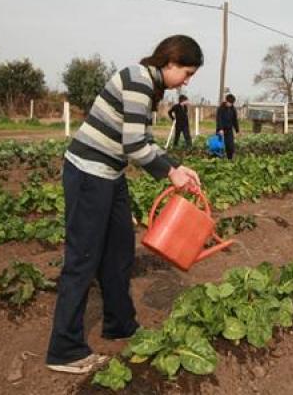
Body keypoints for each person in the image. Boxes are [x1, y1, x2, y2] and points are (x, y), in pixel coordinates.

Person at [46, 35, 203, 375]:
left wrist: (177, 166)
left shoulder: (148, 84)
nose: (187, 81)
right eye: (187, 73)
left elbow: (143, 140)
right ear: (170, 62)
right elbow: (134, 146)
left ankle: (120, 324)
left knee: (119, 252)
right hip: (88, 173)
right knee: (83, 259)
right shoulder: (138, 81)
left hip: (110, 175)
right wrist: (170, 174)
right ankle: (64, 349)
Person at [216, 93, 240, 160]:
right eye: (229, 103)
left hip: (229, 130)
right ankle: (218, 159)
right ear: (226, 101)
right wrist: (220, 129)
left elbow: (235, 120)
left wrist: (237, 130)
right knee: (219, 146)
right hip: (221, 130)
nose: (230, 104)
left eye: (231, 103)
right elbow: (219, 119)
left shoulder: (233, 109)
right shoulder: (221, 108)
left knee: (230, 145)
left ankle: (230, 159)